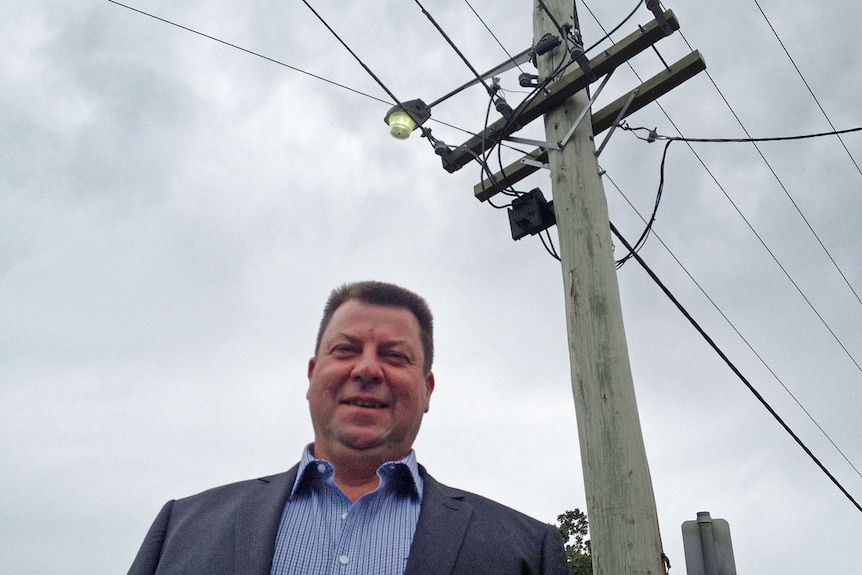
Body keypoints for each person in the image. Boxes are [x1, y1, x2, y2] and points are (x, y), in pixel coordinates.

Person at [128, 280, 569, 575]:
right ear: (313, 373)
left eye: (395, 356)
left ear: (428, 389)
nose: (367, 368)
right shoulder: (181, 530)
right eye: (346, 349)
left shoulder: (527, 553)